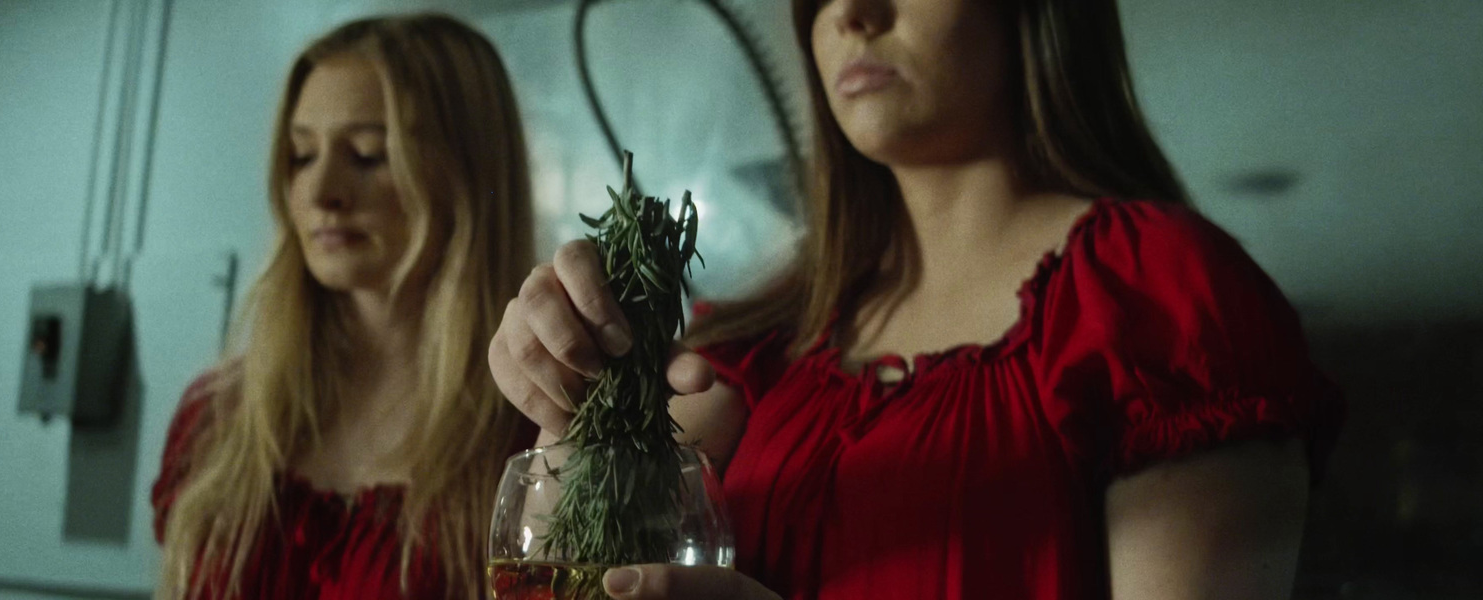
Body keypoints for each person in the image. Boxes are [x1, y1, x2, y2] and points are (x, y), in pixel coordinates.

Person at [487, 0, 1344, 598]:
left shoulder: (1155, 292)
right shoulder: (762, 343)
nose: (850, 10)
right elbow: (582, 564)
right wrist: (571, 393)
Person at [152, 15, 534, 600]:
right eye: (302, 155)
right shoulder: (219, 419)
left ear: (469, 171)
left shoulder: (533, 439)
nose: (321, 191)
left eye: (367, 154)